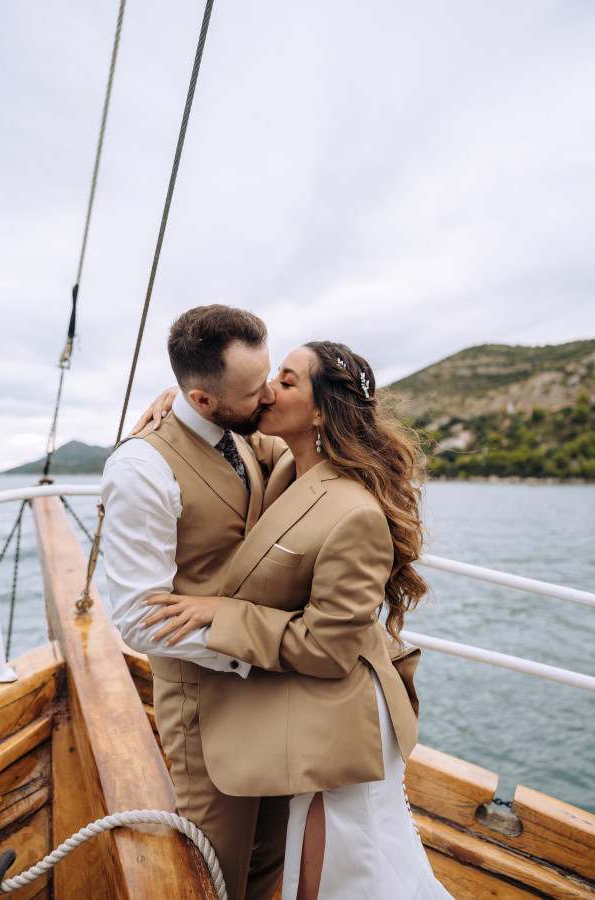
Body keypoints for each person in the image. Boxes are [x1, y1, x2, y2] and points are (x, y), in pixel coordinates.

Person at [141, 341, 454, 900]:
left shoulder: (354, 512)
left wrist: (224, 613)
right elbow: (229, 430)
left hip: (344, 726)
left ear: (320, 413)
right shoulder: (287, 461)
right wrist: (185, 401)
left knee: (346, 878)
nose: (267, 391)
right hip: (311, 712)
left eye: (286, 382)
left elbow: (329, 648)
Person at [101, 305, 293, 900]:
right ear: (203, 399)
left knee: (271, 855)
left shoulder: (245, 432)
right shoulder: (141, 467)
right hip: (203, 704)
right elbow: (139, 619)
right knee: (216, 871)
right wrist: (267, 645)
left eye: (268, 377)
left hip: (276, 692)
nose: (268, 395)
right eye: (252, 389)